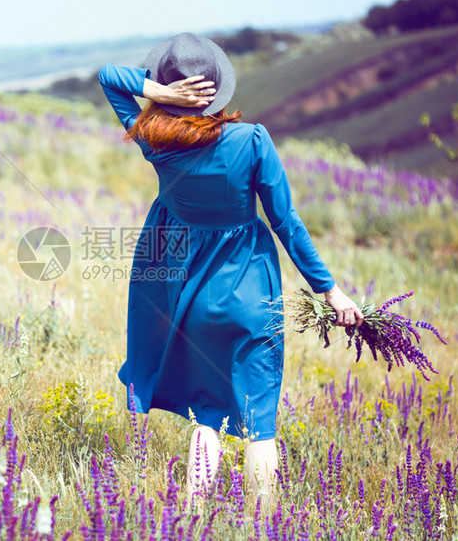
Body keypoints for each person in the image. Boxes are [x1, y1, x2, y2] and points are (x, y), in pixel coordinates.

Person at [98, 33, 363, 504]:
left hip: (191, 302)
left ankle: (195, 517)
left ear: (172, 89)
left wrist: (157, 94)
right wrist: (332, 292)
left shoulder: (155, 142)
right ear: (216, 89)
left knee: (207, 414)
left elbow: (108, 77)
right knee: (259, 423)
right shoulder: (251, 140)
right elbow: (287, 224)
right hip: (251, 295)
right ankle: (264, 525)